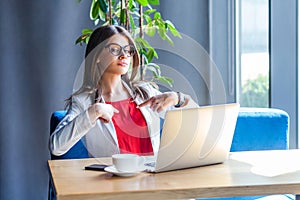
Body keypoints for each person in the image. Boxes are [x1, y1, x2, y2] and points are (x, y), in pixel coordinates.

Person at [49, 25, 198, 158]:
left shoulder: (145, 93)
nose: (124, 55)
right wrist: (94, 111)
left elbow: (197, 123)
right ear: (97, 56)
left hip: (153, 181)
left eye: (128, 50)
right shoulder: (84, 101)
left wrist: (179, 98)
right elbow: (56, 147)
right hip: (112, 186)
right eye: (115, 49)